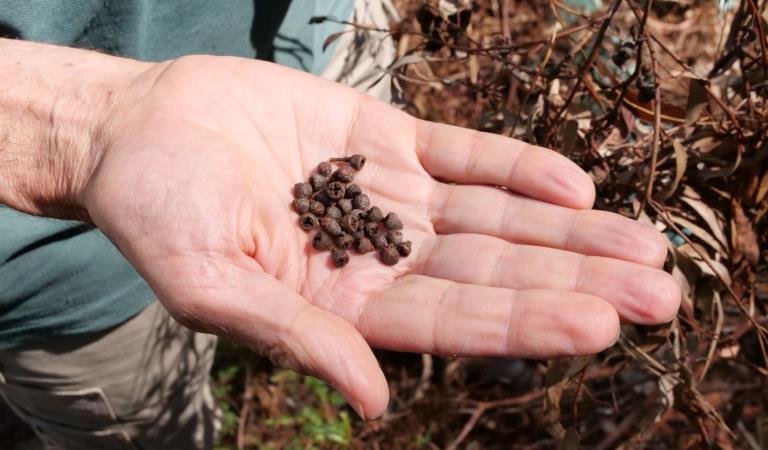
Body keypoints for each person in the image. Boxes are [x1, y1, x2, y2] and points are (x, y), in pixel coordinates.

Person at [0, 1, 680, 449]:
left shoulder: (338, 172)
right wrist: (90, 123)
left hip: (320, 67)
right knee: (138, 430)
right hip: (59, 271)